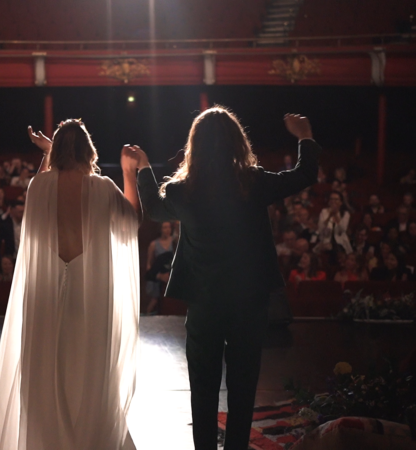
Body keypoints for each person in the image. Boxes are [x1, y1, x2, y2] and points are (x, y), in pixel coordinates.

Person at [135, 109, 321, 450]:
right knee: (243, 384)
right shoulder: (254, 181)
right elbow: (305, 173)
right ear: (237, 143)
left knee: (203, 388)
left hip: (205, 302)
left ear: (196, 145)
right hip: (249, 302)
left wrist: (144, 166)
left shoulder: (182, 191)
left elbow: (154, 208)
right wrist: (304, 135)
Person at [0, 121, 141, 450]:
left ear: (56, 151)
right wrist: (130, 172)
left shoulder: (38, 188)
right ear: (89, 150)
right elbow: (133, 219)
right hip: (90, 294)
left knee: (47, 369)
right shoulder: (102, 188)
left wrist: (48, 155)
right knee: (88, 368)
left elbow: (41, 188)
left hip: (46, 294)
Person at [144, 221, 175, 314]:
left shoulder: (174, 241)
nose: (167, 230)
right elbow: (149, 263)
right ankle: (146, 319)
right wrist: (154, 276)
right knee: (155, 300)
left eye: (169, 227)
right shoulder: (154, 244)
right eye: (165, 227)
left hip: (171, 273)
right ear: (160, 229)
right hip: (159, 273)